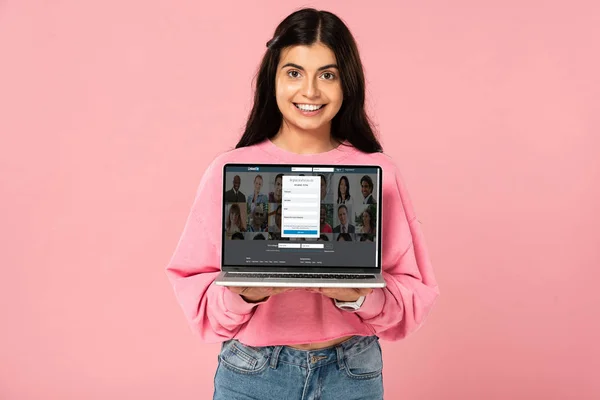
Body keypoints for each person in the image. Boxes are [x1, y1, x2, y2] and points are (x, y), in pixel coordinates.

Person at [165, 8, 439, 400]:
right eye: (294, 73)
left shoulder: (377, 172)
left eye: (327, 75)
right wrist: (245, 294)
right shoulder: (229, 171)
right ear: (272, 79)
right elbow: (199, 297)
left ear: (347, 83)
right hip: (253, 372)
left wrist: (358, 296)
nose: (310, 92)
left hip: (352, 371)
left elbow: (412, 296)